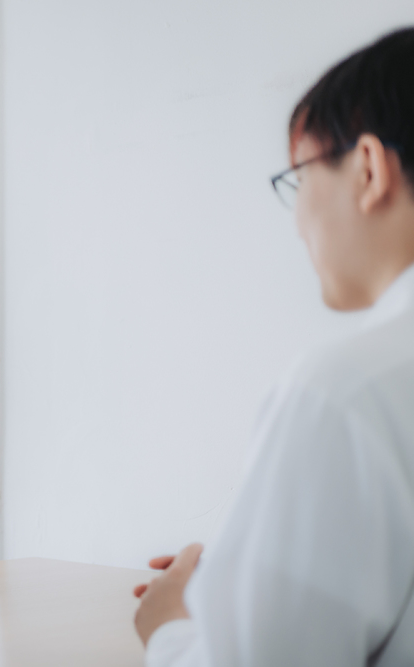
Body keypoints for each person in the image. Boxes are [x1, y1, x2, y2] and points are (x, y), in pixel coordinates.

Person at [132, 28, 414, 666]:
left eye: (300, 175)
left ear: (369, 169)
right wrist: (261, 577)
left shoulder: (343, 393)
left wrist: (170, 626)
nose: (296, 218)